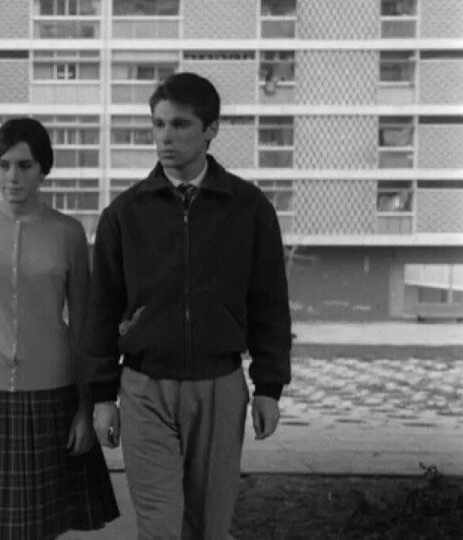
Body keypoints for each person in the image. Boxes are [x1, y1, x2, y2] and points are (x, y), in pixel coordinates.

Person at [81, 72, 292, 539]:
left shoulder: (249, 209)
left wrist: (269, 387)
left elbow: (270, 304)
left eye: (179, 124)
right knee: (160, 527)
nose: (165, 137)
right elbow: (102, 310)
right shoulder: (124, 215)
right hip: (144, 388)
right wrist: (101, 396)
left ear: (211, 129)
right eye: (158, 124)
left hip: (219, 387)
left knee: (207, 529)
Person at [0, 117, 119, 539]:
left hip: (53, 396)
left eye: (24, 165)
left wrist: (85, 406)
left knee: (41, 524)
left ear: (43, 170)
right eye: (2, 165)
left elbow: (85, 326)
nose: (12, 176)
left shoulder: (68, 234)